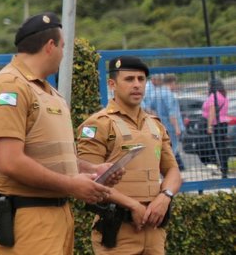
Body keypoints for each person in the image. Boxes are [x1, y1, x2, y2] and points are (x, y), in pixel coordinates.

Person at [0, 12, 115, 254]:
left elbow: (51, 158)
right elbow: (10, 162)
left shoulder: (49, 92)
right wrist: (72, 185)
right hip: (28, 217)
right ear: (50, 46)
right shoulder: (10, 86)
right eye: (63, 46)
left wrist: (93, 170)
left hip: (55, 214)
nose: (64, 54)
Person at [77, 56, 182, 254]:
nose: (137, 85)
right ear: (112, 84)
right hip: (117, 231)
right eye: (129, 79)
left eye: (141, 79)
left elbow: (173, 171)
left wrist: (165, 196)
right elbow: (90, 180)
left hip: (154, 229)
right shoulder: (98, 124)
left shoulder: (155, 124)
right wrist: (133, 205)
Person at [203, 79, 230, 178]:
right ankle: (224, 169)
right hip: (223, 123)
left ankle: (223, 170)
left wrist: (209, 126)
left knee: (219, 148)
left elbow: (212, 111)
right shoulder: (223, 95)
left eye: (209, 85)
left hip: (216, 124)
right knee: (222, 147)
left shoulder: (214, 96)